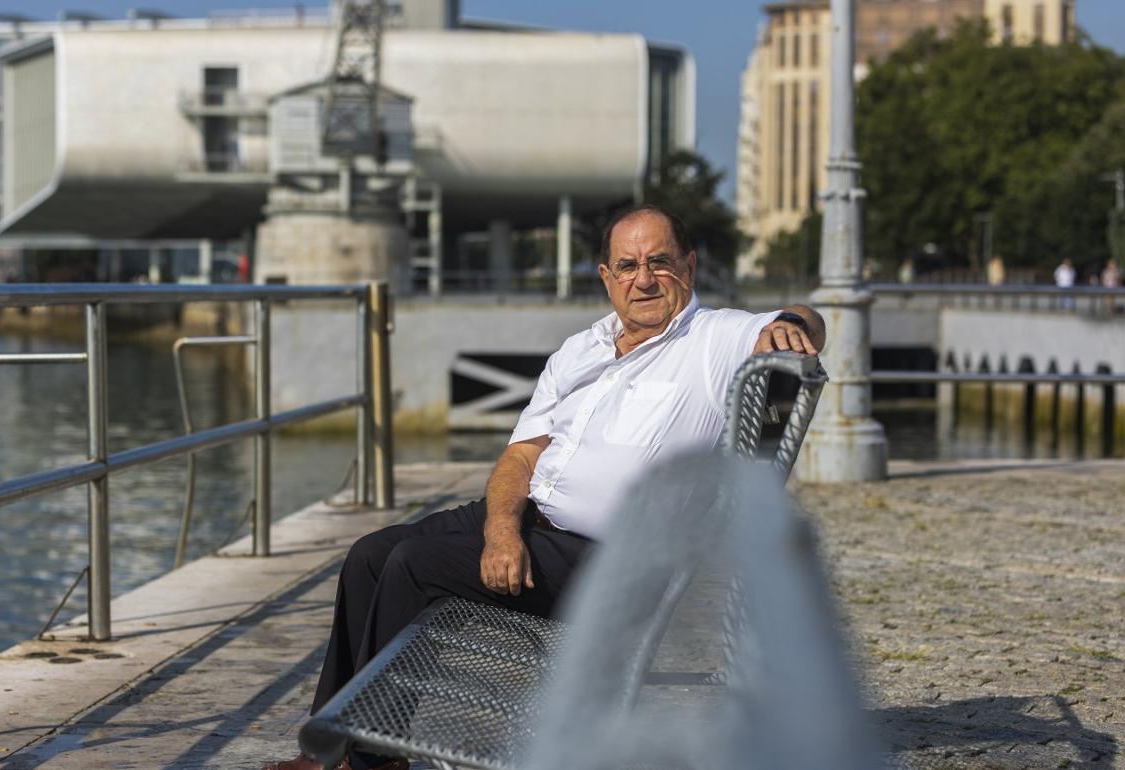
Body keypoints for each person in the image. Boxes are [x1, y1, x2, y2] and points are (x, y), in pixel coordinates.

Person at [264, 203, 825, 770]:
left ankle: (371, 762)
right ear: (606, 277)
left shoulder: (713, 340)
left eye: (660, 261)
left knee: (413, 563)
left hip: (611, 563)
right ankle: (330, 747)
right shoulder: (580, 349)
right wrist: (501, 528)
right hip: (534, 523)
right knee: (369, 555)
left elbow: (809, 321)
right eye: (627, 265)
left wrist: (795, 324)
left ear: (689, 265)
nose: (645, 279)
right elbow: (521, 454)